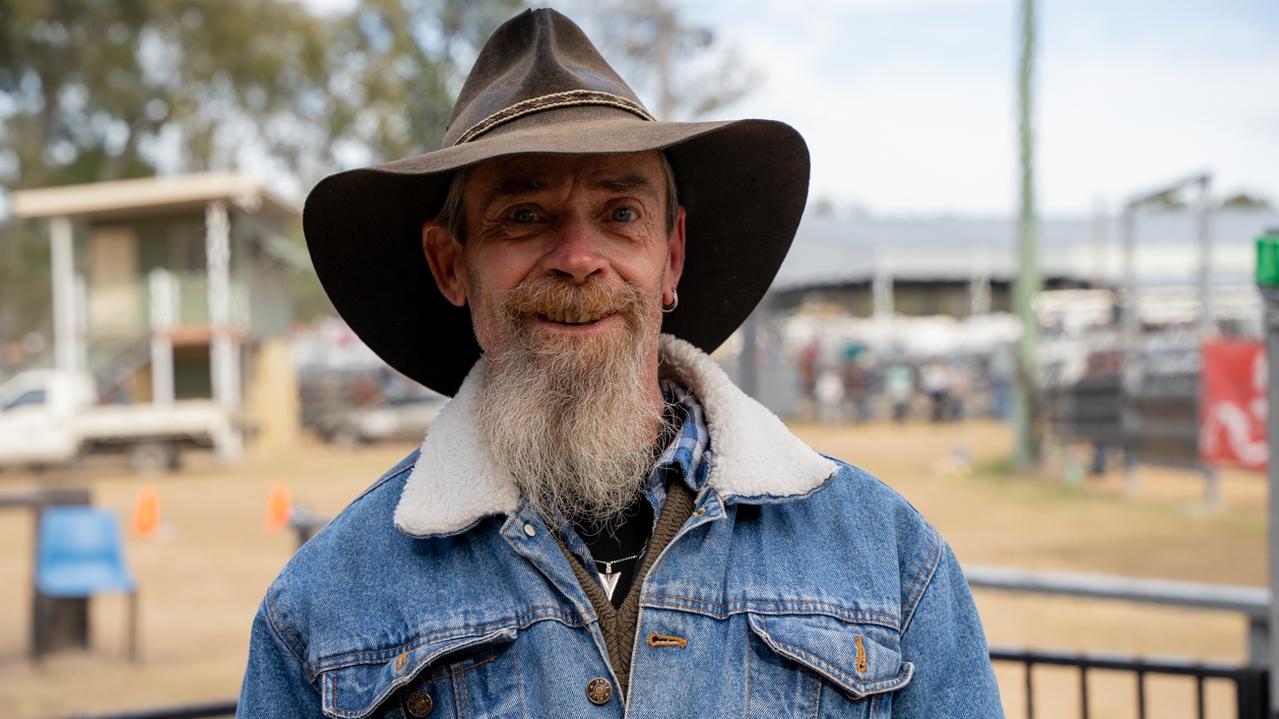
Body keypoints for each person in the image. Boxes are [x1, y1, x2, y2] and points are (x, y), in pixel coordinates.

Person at [239, 9, 1002, 717]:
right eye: (524, 215)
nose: (578, 257)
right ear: (450, 264)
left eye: (620, 213)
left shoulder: (891, 562)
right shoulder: (321, 614)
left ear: (669, 258)